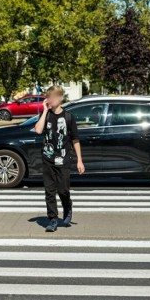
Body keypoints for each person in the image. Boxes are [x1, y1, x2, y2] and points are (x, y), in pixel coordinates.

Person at [34, 85, 85, 232]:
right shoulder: (47, 115)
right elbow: (38, 130)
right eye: (49, 96)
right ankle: (53, 219)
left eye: (54, 97)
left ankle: (67, 207)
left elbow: (75, 140)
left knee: (63, 190)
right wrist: (44, 111)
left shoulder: (69, 117)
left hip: (63, 160)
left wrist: (79, 161)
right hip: (48, 159)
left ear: (61, 99)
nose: (51, 99)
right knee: (49, 191)